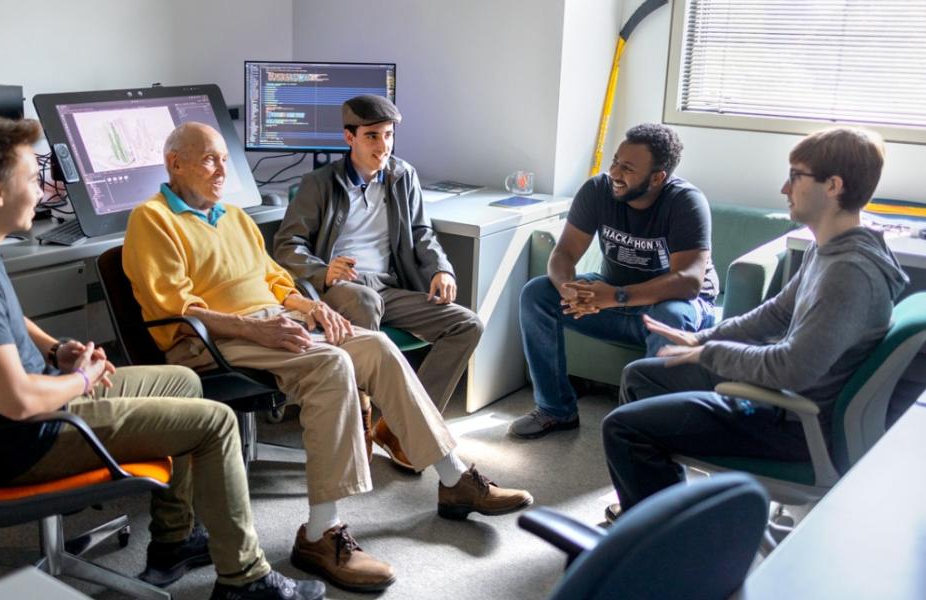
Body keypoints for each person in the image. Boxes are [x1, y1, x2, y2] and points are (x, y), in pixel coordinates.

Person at [0, 115, 323, 600]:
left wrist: (54, 349)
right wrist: (81, 380)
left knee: (184, 381)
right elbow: (18, 402)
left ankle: (175, 539)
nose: (42, 192)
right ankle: (244, 581)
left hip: (41, 407)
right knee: (216, 423)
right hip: (29, 437)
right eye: (31, 180)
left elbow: (10, 320)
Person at [122, 121, 532, 593]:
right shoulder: (152, 220)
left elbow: (276, 281)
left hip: (272, 321)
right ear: (175, 164)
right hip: (211, 341)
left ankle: (453, 476)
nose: (222, 170)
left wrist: (311, 306)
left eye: (223, 160)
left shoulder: (234, 216)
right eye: (210, 159)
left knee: (375, 345)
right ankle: (320, 533)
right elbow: (176, 307)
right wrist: (260, 326)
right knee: (331, 365)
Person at [602, 126, 907, 518]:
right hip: (778, 401)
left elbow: (791, 367)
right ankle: (663, 509)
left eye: (796, 176)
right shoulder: (829, 248)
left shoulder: (849, 272)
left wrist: (710, 353)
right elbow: (777, 312)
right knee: (642, 375)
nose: (784, 187)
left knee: (622, 429)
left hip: (790, 423)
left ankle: (665, 539)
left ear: (833, 186)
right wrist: (700, 339)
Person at [273, 95, 483, 470]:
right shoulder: (319, 183)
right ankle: (360, 416)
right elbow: (287, 244)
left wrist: (442, 268)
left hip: (389, 285)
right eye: (372, 136)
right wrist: (323, 271)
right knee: (366, 303)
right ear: (349, 138)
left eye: (388, 135)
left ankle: (399, 429)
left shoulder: (404, 176)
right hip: (343, 286)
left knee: (466, 324)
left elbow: (422, 233)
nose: (383, 146)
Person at [510, 123, 719, 438]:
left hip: (680, 307)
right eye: (615, 161)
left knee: (671, 313)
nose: (615, 173)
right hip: (615, 299)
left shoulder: (686, 202)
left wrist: (615, 296)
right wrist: (569, 288)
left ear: (658, 177)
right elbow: (563, 253)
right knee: (538, 294)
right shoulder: (597, 190)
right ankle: (556, 410)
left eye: (628, 168)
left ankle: (647, 429)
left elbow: (688, 281)